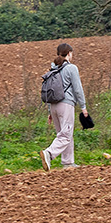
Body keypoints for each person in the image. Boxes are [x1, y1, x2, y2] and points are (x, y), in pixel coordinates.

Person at [40, 42, 90, 170]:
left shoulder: (53, 69)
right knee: (66, 135)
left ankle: (68, 163)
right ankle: (49, 153)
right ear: (69, 53)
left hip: (54, 105)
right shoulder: (71, 68)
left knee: (63, 134)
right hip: (66, 104)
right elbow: (77, 89)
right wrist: (83, 106)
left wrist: (50, 111)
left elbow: (50, 90)